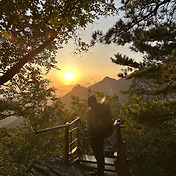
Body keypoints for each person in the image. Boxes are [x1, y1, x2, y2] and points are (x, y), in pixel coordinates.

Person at [86, 95, 106, 176]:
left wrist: (87, 130)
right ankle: (101, 171)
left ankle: (99, 172)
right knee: (101, 153)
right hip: (101, 135)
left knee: (97, 154)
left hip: (93, 136)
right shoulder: (101, 111)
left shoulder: (89, 112)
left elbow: (89, 126)